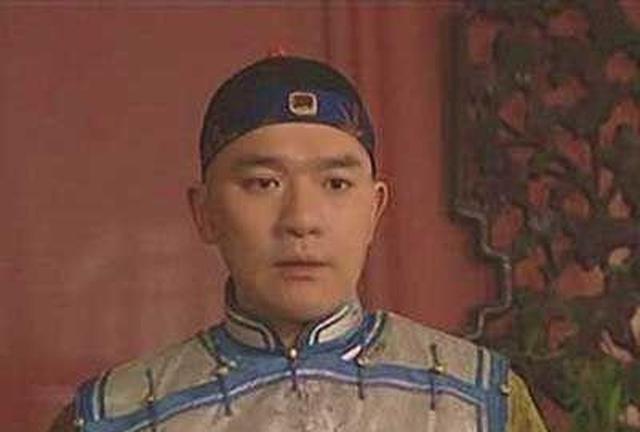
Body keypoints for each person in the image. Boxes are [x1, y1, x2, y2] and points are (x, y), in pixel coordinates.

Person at [50, 55, 547, 431]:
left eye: (336, 184)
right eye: (263, 183)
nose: (302, 220)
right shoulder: (117, 414)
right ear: (205, 213)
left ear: (374, 209)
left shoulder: (483, 401)